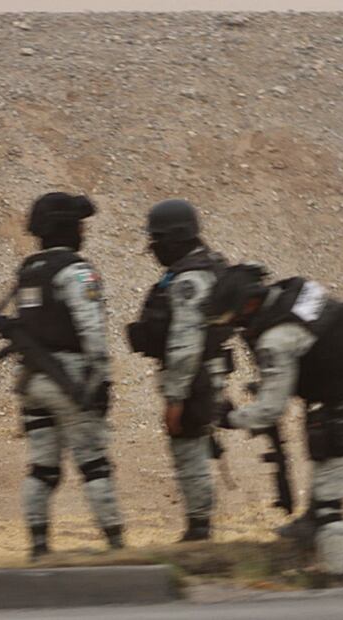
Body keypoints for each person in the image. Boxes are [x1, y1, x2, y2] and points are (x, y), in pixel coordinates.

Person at [206, 264, 343, 578]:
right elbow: (316, 349)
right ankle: (311, 539)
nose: (236, 327)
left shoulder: (275, 339)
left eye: (234, 318)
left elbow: (271, 409)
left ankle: (335, 580)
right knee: (321, 481)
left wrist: (231, 418)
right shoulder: (291, 295)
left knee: (329, 501)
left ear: (249, 305)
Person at [12, 192, 124, 559]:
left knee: (43, 468)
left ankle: (39, 546)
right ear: (68, 228)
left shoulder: (28, 272)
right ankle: (116, 546)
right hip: (70, 380)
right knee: (94, 464)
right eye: (79, 224)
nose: (82, 231)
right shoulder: (77, 271)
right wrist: (102, 380)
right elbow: (92, 330)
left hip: (32, 382)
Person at [126, 199, 232, 541]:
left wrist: (175, 398)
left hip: (193, 378)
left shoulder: (189, 279)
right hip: (201, 374)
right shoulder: (201, 268)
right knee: (192, 446)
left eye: (156, 241)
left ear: (174, 238)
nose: (153, 249)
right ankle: (199, 525)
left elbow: (185, 342)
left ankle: (200, 530)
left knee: (187, 448)